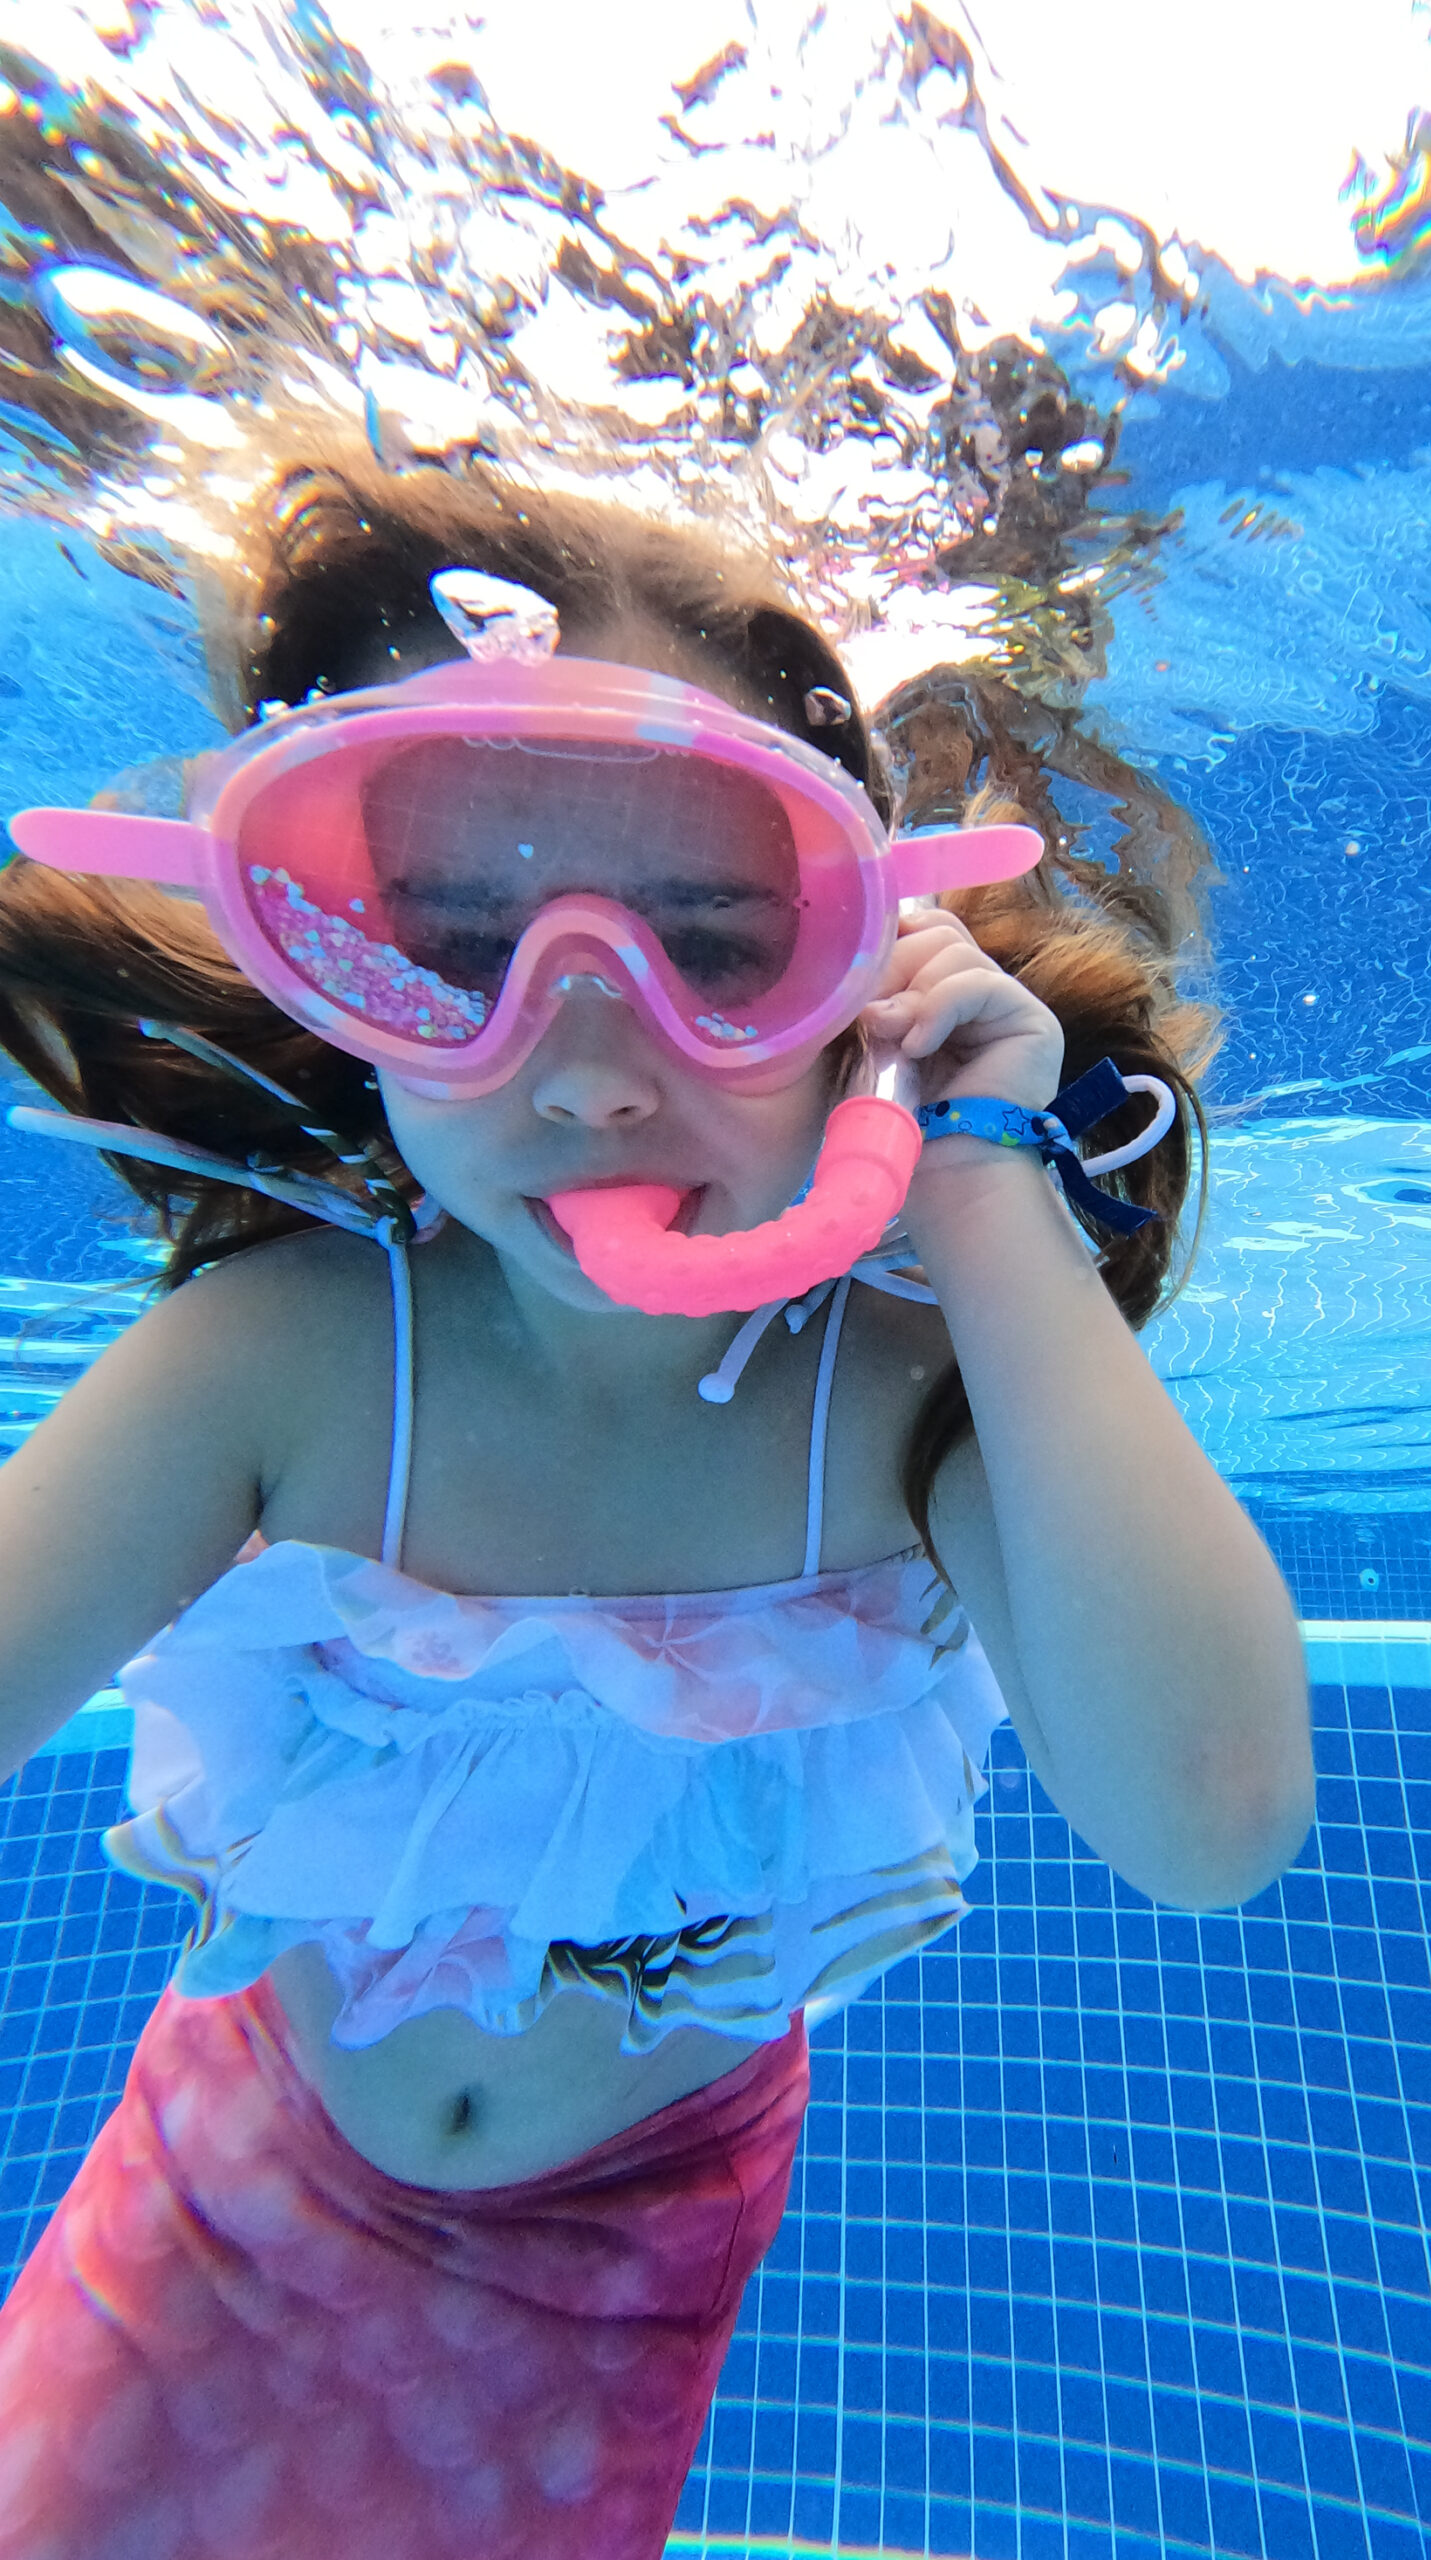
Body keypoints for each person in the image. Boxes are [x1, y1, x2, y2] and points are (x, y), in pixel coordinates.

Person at [0, 452, 1313, 2560]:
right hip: (235, 2179)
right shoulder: (299, 1357)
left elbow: (1213, 1812)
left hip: (622, 2240)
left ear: (861, 980)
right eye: (455, 952)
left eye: (713, 949)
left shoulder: (890, 1398)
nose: (586, 1066)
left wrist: (985, 1184)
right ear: (332, 962)